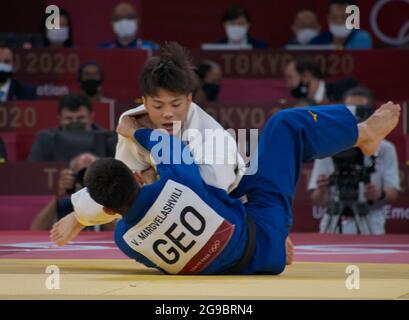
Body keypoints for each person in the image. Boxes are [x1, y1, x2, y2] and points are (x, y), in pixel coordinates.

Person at [51, 100, 401, 275]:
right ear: (140, 176)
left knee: (221, 189)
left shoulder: (124, 240)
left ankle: (273, 234)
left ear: (110, 213)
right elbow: (168, 147)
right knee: (285, 127)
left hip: (250, 258)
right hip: (262, 230)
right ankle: (364, 135)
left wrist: (80, 216)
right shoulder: (178, 185)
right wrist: (133, 130)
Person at [308, 87, 400, 234]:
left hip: (370, 223)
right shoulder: (330, 145)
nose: (356, 118)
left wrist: (379, 194)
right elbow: (318, 200)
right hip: (334, 225)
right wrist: (321, 190)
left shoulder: (385, 148)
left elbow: (393, 193)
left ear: (371, 114)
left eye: (360, 112)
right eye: (350, 112)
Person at [31, 153, 115, 231]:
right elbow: (36, 230)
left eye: (91, 174)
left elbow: (115, 232)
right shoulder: (65, 204)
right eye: (82, 174)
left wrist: (100, 194)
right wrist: (57, 197)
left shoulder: (108, 204)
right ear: (72, 176)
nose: (86, 179)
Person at [27, 93, 117, 161]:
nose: (75, 123)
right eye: (69, 118)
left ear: (91, 117)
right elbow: (35, 170)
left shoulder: (109, 139)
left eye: (80, 118)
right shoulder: (45, 139)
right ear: (60, 119)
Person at [283, 57, 357, 104]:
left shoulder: (344, 90)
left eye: (290, 77)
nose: (288, 85)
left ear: (307, 76)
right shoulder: (296, 107)